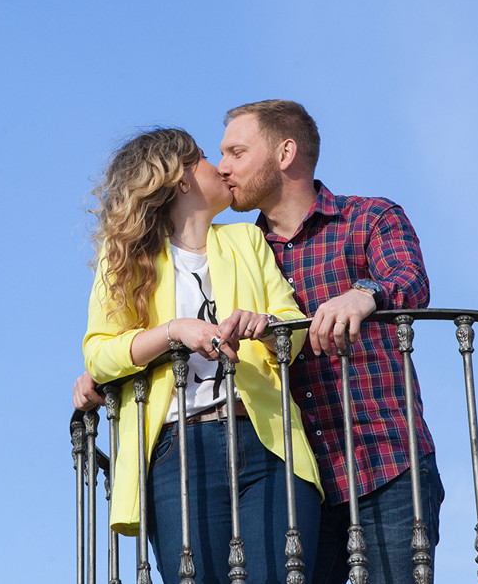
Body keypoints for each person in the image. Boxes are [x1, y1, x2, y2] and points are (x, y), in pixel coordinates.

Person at [81, 127, 323, 584]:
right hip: (177, 453)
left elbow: (295, 325)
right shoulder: (125, 262)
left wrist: (266, 325)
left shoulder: (247, 242)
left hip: (267, 439)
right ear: (183, 178)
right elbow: (100, 353)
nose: (221, 167)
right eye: (206, 159)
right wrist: (174, 331)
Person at [216, 100, 445, 584]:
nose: (223, 167)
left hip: (387, 462)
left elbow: (410, 280)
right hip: (294, 483)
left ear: (285, 153)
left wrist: (365, 293)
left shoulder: (369, 217)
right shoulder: (240, 251)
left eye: (237, 151)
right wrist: (115, 365)